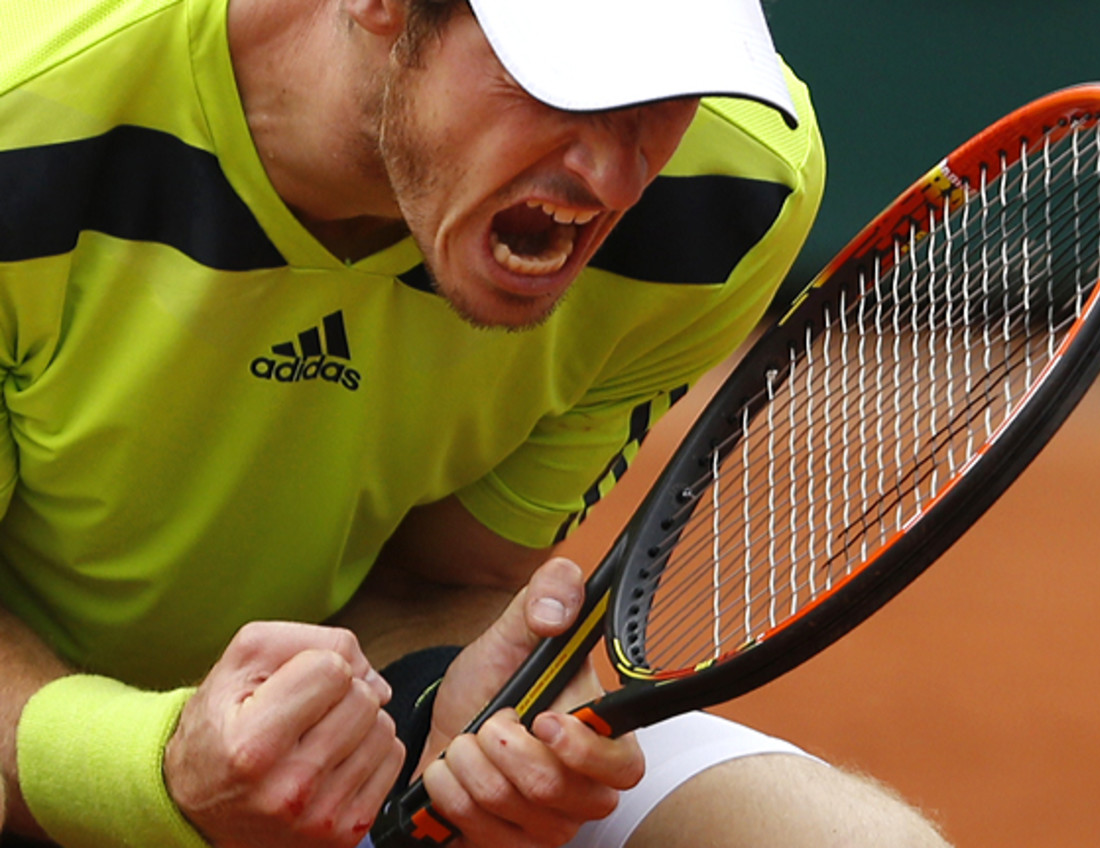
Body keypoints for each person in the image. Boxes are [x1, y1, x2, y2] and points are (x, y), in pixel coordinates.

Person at [0, 0, 953, 846]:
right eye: (566, 81)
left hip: (334, 749)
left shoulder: (730, 189)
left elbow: (437, 578)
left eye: (668, 93)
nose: (617, 181)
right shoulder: (26, 117)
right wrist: (153, 773)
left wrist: (465, 706)